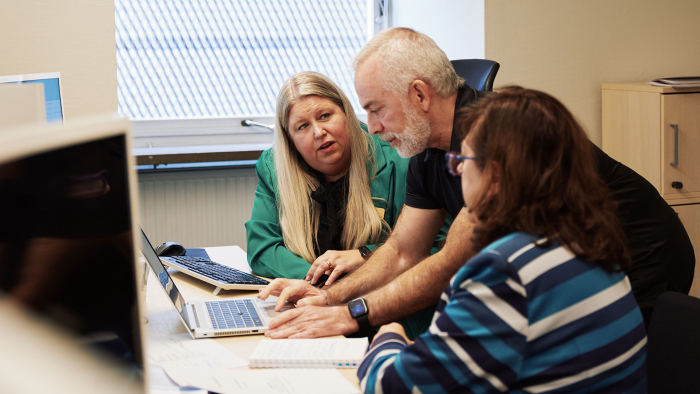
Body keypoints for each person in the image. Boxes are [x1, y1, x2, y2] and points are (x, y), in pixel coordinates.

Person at [258, 27, 693, 338]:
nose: (370, 128)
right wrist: (330, 297)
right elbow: (403, 252)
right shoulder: (426, 148)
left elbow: (447, 263)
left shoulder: (493, 140)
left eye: (377, 109)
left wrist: (354, 314)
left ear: (420, 95)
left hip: (640, 263)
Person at [358, 87, 647, 393]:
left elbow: (392, 386)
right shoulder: (590, 245)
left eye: (462, 160)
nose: (455, 170)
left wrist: (389, 337)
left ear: (494, 178)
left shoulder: (505, 273)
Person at [245, 71, 446, 338]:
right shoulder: (274, 167)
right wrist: (317, 282)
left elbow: (434, 246)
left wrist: (364, 255)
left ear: (347, 114)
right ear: (290, 140)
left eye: (325, 116)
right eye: (302, 127)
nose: (319, 132)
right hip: (314, 307)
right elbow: (262, 248)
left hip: (391, 319)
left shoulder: (400, 159)